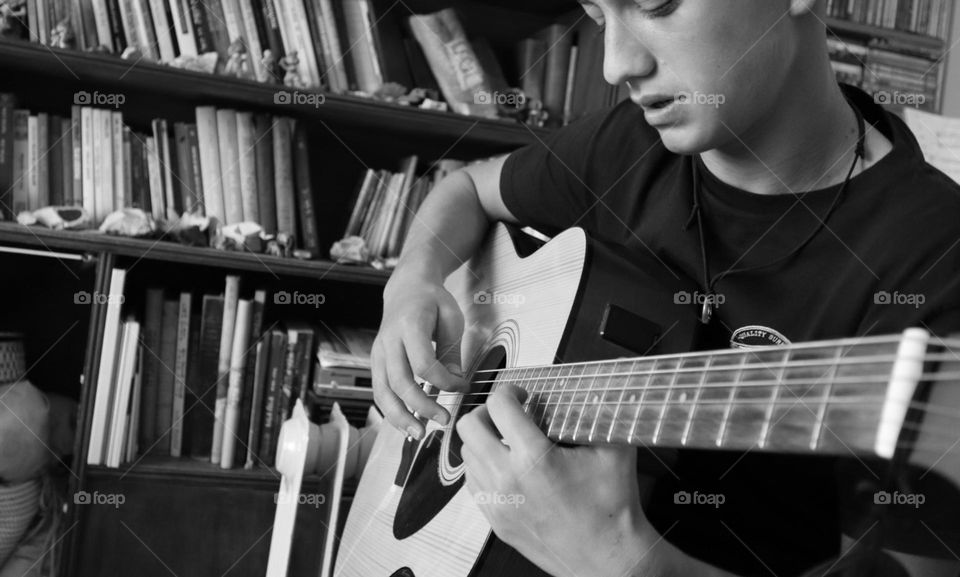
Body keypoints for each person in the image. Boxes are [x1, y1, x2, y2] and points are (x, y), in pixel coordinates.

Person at [371, 0, 960, 575]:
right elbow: (468, 189)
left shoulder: (936, 256)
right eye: (600, 16)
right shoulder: (626, 146)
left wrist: (620, 560)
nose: (616, 65)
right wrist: (411, 283)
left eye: (656, 6)